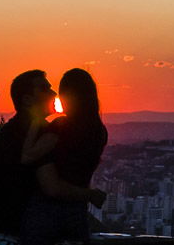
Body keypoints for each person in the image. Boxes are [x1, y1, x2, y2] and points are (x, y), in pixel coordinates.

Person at [0, 70, 103, 237]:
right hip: (15, 224)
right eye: (44, 89)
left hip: (4, 223)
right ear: (27, 100)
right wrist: (90, 195)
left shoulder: (19, 130)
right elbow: (52, 186)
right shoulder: (31, 132)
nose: (53, 93)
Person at [19, 68, 108, 245]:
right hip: (76, 214)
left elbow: (27, 156)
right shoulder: (100, 132)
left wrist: (36, 122)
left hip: (46, 214)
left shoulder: (61, 127)